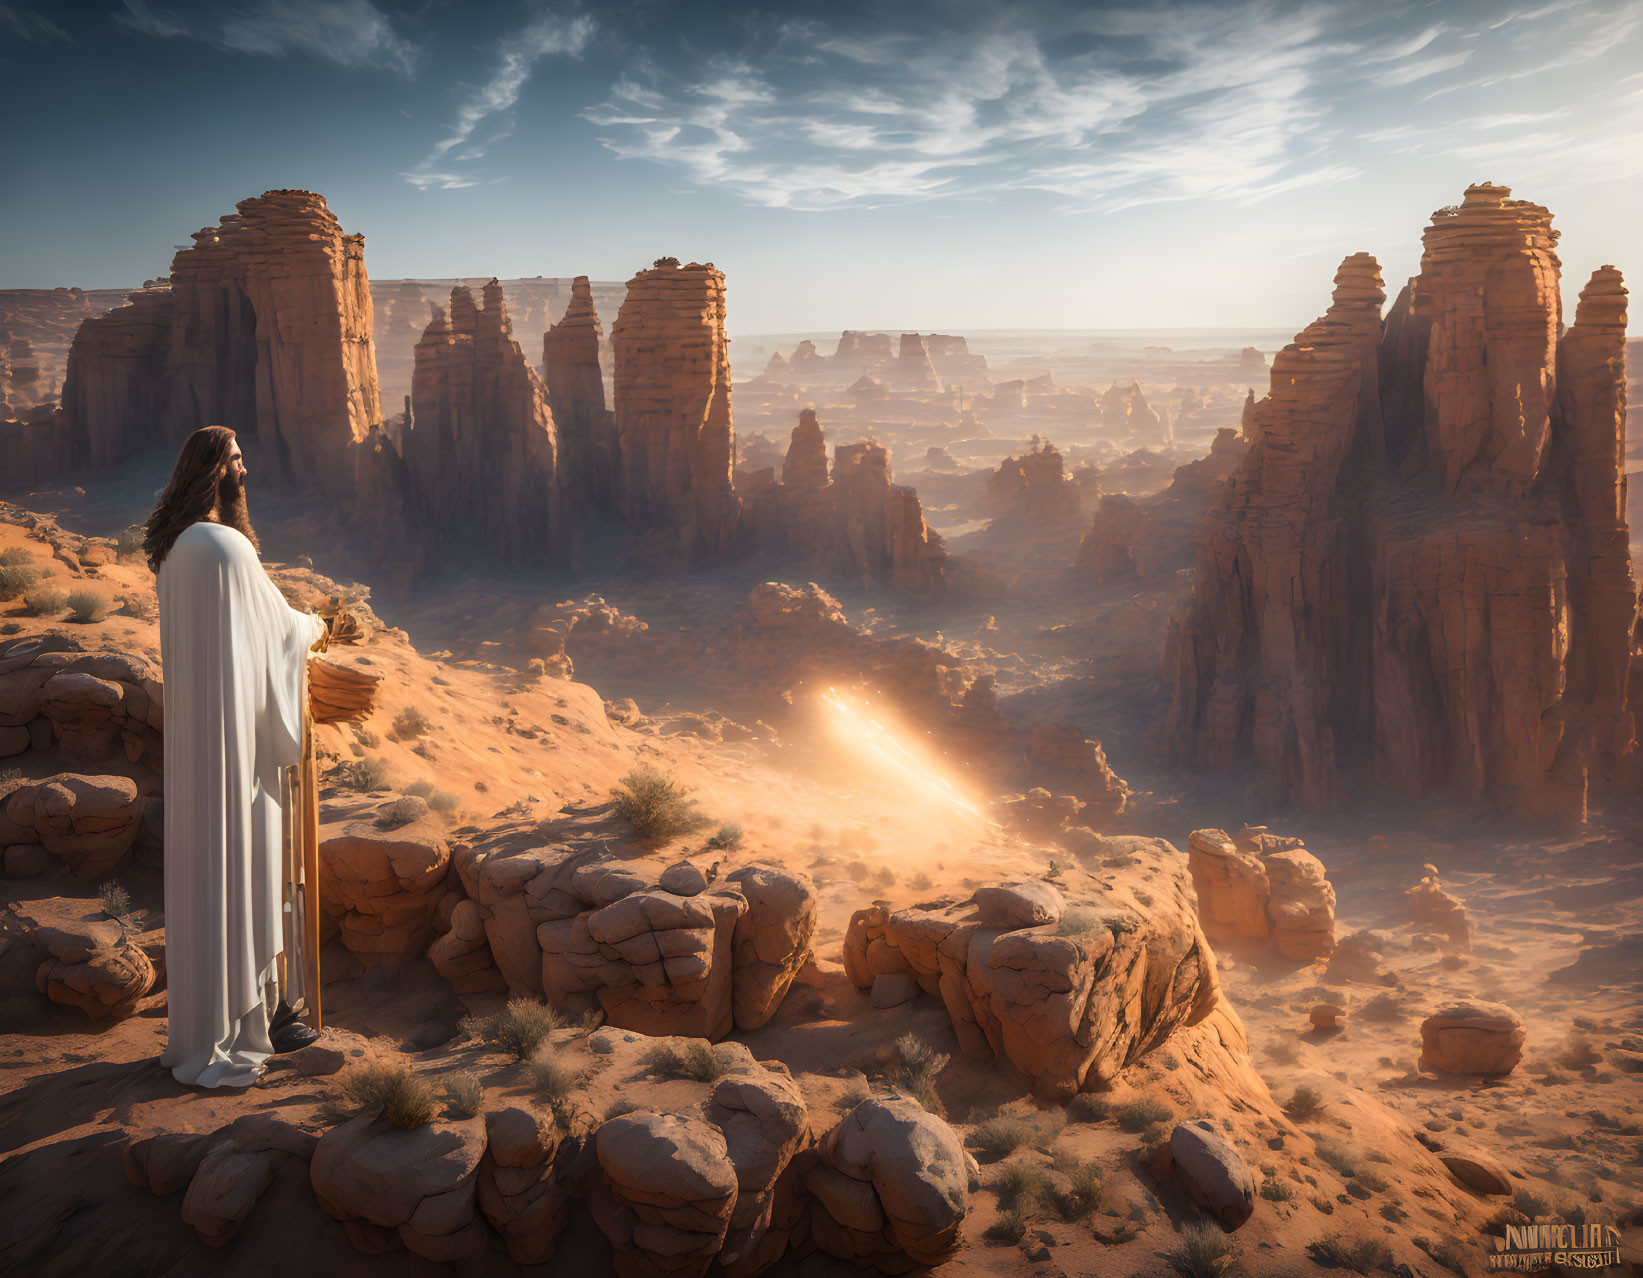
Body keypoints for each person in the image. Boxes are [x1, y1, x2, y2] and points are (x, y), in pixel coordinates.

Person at [143, 425, 327, 1088]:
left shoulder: (174, 548)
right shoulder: (224, 545)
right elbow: (279, 628)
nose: (244, 471)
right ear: (216, 470)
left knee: (210, 879)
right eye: (238, 461)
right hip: (236, 748)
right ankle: (257, 1019)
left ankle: (219, 1020)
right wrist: (322, 625)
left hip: (199, 742)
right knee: (247, 872)